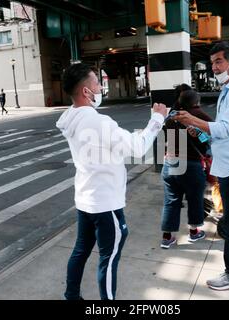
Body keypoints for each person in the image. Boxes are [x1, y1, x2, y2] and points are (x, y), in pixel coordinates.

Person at [56, 63, 167, 300]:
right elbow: (138, 148)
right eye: (97, 82)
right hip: (106, 203)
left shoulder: (71, 118)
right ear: (86, 91)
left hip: (86, 199)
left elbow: (118, 144)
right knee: (109, 258)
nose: (100, 87)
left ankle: (71, 296)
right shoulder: (99, 122)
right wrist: (157, 120)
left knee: (81, 250)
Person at [173, 41, 229, 291]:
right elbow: (219, 135)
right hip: (228, 166)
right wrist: (197, 131)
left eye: (218, 62)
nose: (213, 67)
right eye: (212, 62)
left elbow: (224, 129)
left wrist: (192, 119)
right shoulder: (228, 89)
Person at [160, 89, 213, 249]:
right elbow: (210, 139)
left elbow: (164, 136)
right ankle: (194, 232)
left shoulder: (171, 116)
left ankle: (167, 238)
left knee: (171, 201)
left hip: (170, 163)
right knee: (194, 198)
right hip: (190, 165)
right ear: (196, 102)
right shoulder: (200, 115)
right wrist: (199, 134)